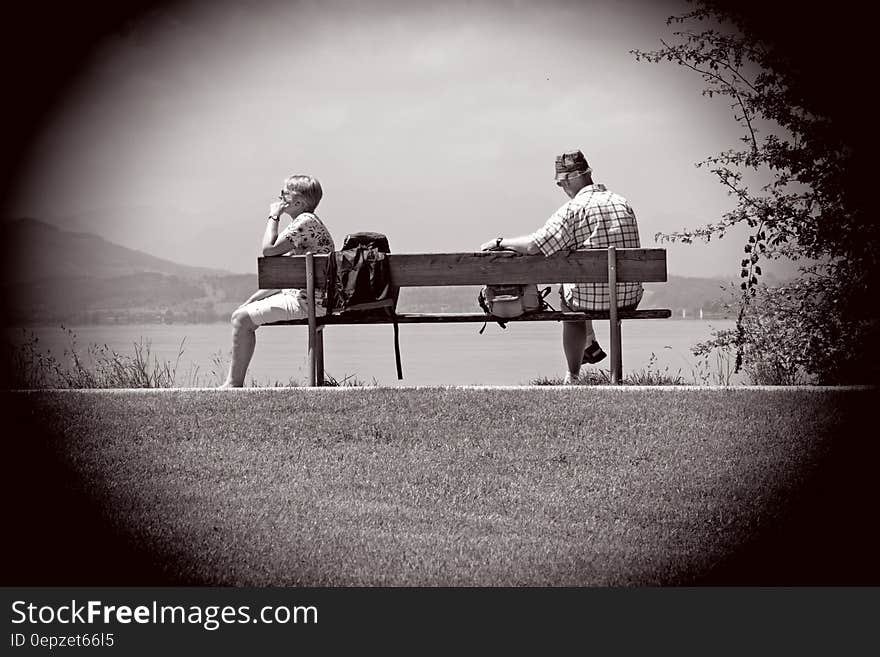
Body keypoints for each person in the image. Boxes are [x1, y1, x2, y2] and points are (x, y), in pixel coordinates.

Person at [479, 149, 642, 384]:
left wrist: (498, 242)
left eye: (560, 183)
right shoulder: (622, 202)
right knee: (586, 285)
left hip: (588, 300)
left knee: (570, 300)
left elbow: (536, 244)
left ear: (572, 178)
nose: (562, 189)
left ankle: (573, 375)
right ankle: (597, 352)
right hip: (628, 297)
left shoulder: (573, 209)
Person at [220, 174, 334, 388]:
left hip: (308, 303)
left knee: (241, 320)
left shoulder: (304, 222)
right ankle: (233, 383)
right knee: (242, 313)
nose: (280, 197)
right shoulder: (308, 225)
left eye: (284, 194)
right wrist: (250, 301)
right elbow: (282, 283)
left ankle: (233, 385)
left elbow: (268, 250)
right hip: (312, 299)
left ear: (298, 202)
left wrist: (273, 216)